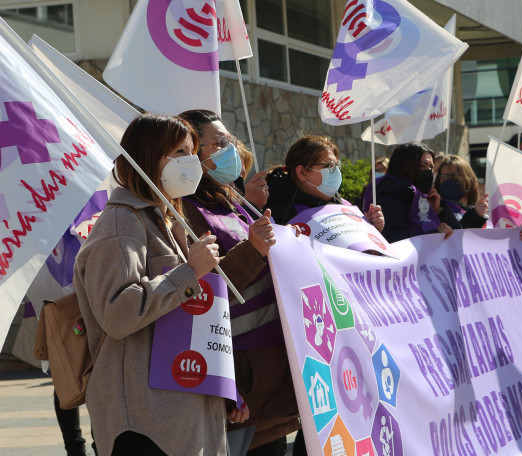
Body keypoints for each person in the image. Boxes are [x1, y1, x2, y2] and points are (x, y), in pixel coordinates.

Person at [73, 114, 247, 455]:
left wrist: (222, 385)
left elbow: (188, 319)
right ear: (150, 157)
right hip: (146, 422)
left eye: (192, 151)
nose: (192, 162)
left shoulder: (164, 219)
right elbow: (118, 314)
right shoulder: (122, 222)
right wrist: (189, 272)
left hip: (181, 414)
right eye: (180, 151)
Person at [178, 110, 301, 456]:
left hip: (269, 371)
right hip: (238, 376)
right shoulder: (185, 211)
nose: (229, 149)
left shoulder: (230, 201)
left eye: (229, 141)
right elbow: (202, 293)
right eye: (218, 143)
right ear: (191, 151)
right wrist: (255, 248)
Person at [265, 135, 385, 235]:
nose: (336, 172)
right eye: (329, 166)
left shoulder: (342, 203)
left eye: (336, 165)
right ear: (302, 172)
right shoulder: (280, 213)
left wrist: (370, 227)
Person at [361, 143, 453, 242]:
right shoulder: (391, 193)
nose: (428, 171)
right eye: (422, 165)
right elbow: (397, 241)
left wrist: (438, 211)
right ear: (405, 166)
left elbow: (458, 233)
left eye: (431, 167)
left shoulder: (422, 196)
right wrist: (436, 234)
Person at [435, 155, 490, 229]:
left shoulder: (478, 209)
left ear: (468, 178)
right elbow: (457, 235)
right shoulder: (438, 210)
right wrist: (475, 215)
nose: (449, 180)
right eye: (444, 176)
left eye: (455, 175)